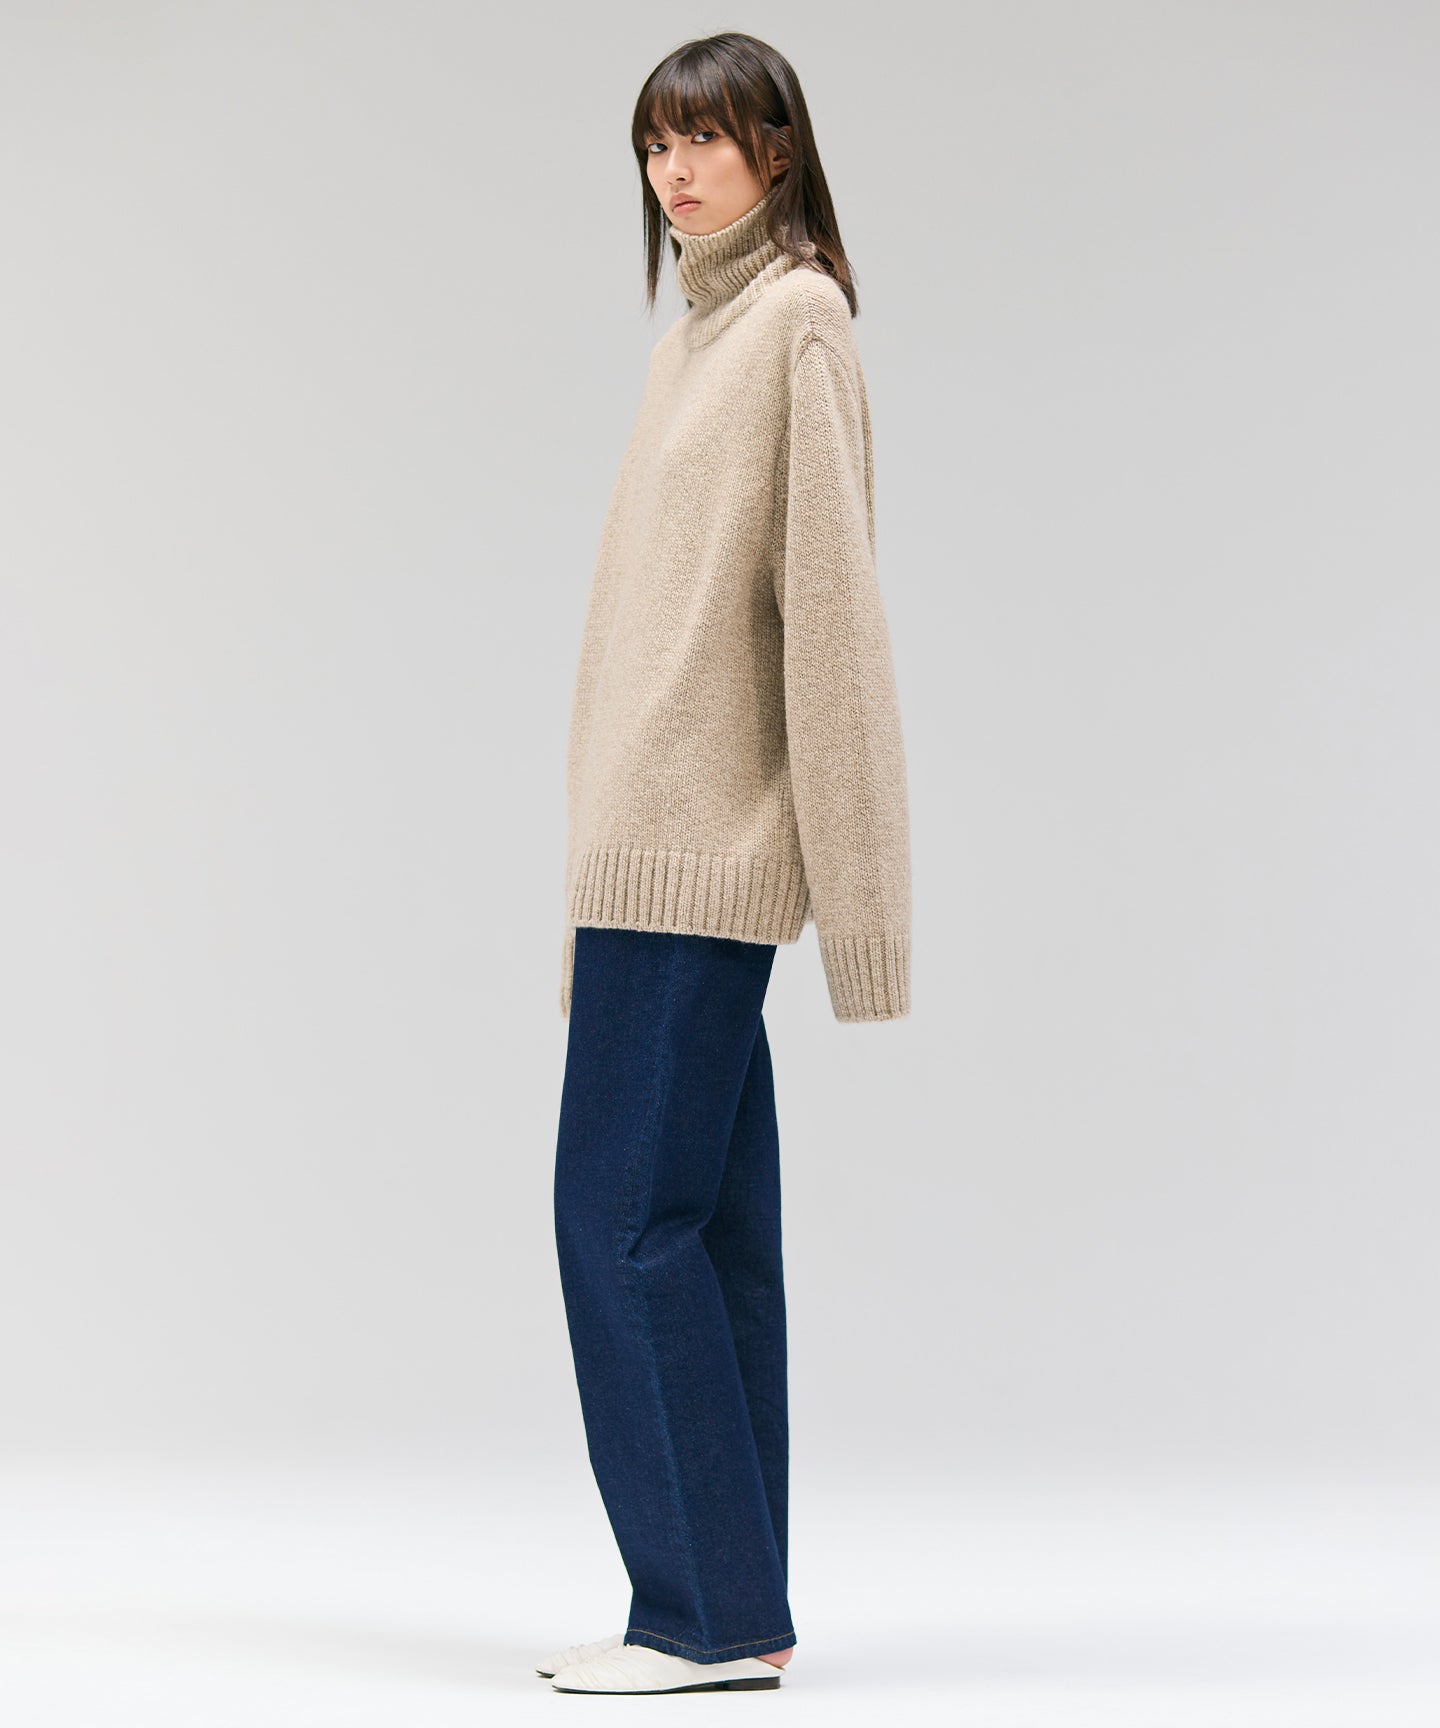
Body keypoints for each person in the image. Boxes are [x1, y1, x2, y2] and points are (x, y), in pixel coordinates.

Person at [542, 31, 913, 1696]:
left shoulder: (797, 327)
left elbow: (832, 633)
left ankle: (690, 1618)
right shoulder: (690, 342)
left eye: (705, 138)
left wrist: (865, 911)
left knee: (620, 1224)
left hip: (704, 861)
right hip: (639, 861)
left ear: (779, 149)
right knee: (700, 1237)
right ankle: (734, 1612)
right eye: (653, 145)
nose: (676, 171)